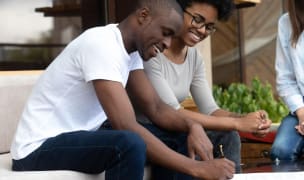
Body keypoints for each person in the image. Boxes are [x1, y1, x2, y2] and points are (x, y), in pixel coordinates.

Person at [10, 0, 236, 179]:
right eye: (165, 32)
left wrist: (192, 125)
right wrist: (197, 169)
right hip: (37, 149)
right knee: (129, 143)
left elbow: (156, 108)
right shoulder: (102, 44)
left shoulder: (131, 53)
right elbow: (125, 125)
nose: (168, 43)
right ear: (143, 16)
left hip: (81, 135)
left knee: (179, 138)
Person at [136, 0, 272, 174]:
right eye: (197, 19)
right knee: (184, 140)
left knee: (228, 136)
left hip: (175, 128)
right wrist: (238, 122)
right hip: (145, 130)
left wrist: (249, 120)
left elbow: (210, 110)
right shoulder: (153, 50)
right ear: (177, 10)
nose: (201, 30)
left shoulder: (194, 57)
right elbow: (172, 112)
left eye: (209, 26)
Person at [270, 0, 304, 162]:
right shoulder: (286, 22)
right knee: (281, 151)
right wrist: (302, 114)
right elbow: (285, 79)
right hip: (301, 108)